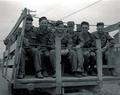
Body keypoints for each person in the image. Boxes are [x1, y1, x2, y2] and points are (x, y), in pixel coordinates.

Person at [17, 14, 44, 79]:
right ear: (24, 24)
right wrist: (21, 40)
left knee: (36, 51)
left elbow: (40, 42)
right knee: (21, 51)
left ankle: (38, 72)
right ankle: (22, 72)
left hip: (32, 49)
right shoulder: (19, 31)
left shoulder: (35, 31)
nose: (28, 25)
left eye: (30, 23)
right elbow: (14, 41)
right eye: (27, 23)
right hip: (23, 48)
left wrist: (37, 48)